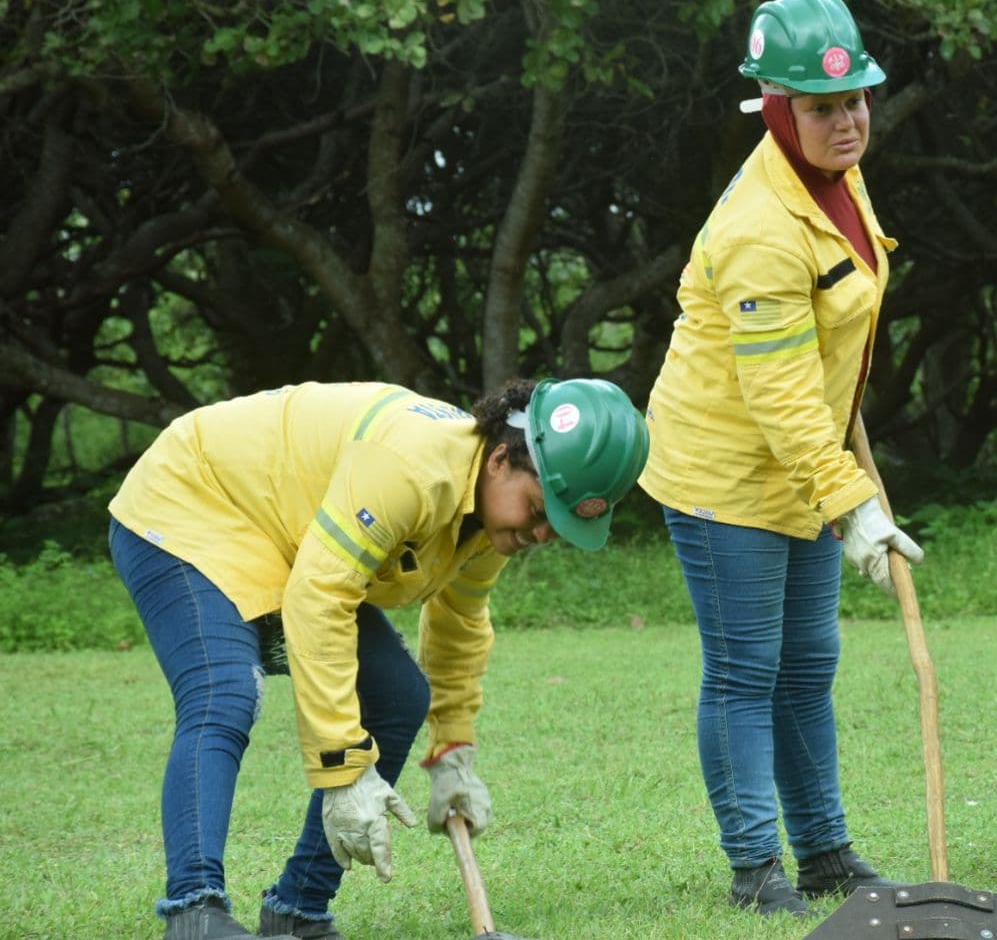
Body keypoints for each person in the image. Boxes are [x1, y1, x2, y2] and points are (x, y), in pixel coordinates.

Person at [110, 378, 649, 940]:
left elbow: (458, 621)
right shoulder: (413, 469)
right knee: (224, 692)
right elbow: (321, 597)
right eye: (539, 509)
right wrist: (344, 768)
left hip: (287, 539)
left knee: (399, 697)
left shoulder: (490, 528)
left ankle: (297, 913)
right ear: (499, 460)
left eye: (558, 527)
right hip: (190, 503)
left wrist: (453, 749)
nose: (539, 533)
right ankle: (195, 910)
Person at [638, 0, 922, 918]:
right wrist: (855, 506)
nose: (846, 122)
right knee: (747, 666)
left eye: (854, 101)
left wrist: (838, 487)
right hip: (725, 474)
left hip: (799, 464)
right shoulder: (759, 227)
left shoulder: (837, 177)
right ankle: (756, 867)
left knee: (809, 664)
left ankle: (829, 854)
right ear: (775, 108)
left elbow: (826, 355)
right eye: (820, 108)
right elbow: (779, 395)